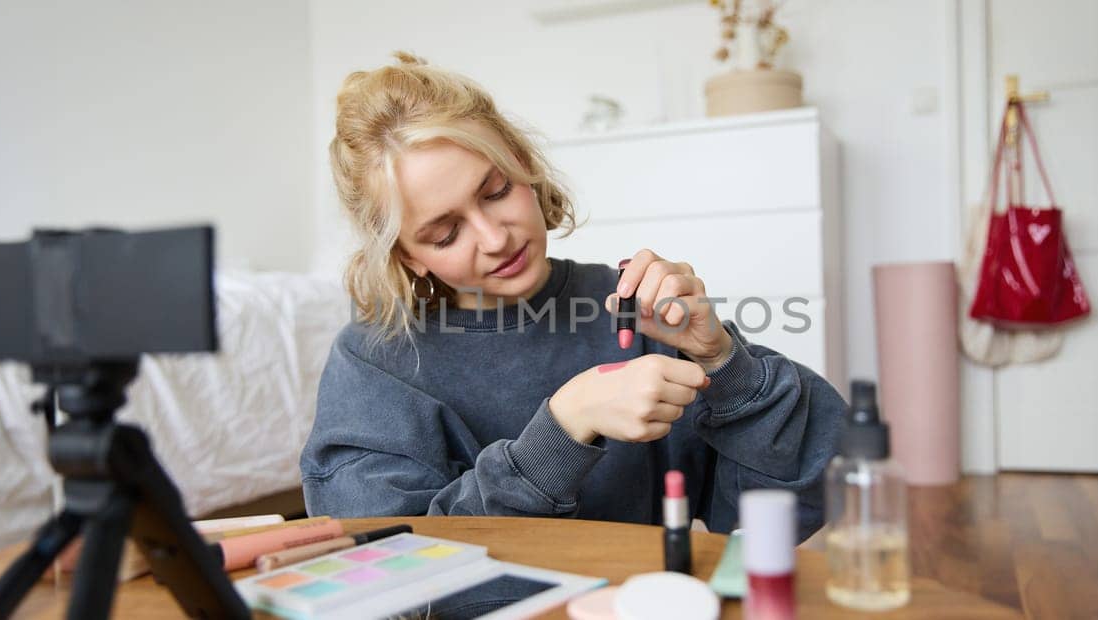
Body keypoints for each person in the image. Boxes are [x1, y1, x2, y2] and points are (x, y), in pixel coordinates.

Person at [300, 52, 846, 536]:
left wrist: (724, 361)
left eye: (497, 191)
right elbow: (384, 564)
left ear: (525, 165)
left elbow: (798, 501)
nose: (495, 238)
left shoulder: (630, 309)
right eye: (445, 233)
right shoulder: (374, 361)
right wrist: (563, 428)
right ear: (406, 255)